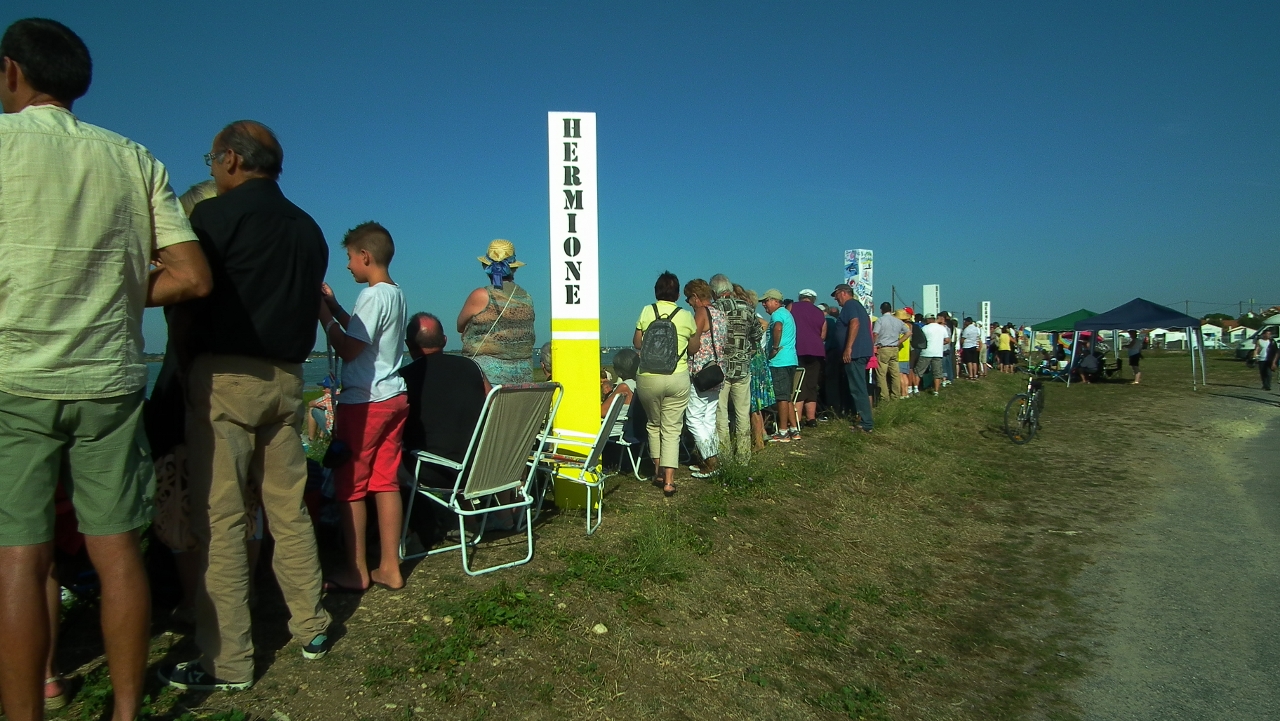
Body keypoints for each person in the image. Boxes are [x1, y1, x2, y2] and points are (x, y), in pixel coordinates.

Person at [0, 19, 212, 720]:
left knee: (21, 559)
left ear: (10, 73)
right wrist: (115, 286)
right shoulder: (132, 158)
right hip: (110, 376)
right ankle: (126, 710)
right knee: (118, 550)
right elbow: (189, 277)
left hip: (14, 377)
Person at [165, 120, 330, 692]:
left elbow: (189, 303)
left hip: (225, 377)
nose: (211, 167)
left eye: (212, 158)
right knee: (289, 509)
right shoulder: (309, 229)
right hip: (287, 380)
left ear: (232, 159)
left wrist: (184, 367)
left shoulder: (211, 219)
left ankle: (229, 659)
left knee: (223, 518)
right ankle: (311, 623)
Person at [319, 222, 409, 593]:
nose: (348, 266)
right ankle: (390, 565)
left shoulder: (372, 296)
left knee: (351, 487)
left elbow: (350, 348)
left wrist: (322, 317)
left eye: (350, 258)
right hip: (393, 396)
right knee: (386, 481)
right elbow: (364, 335)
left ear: (365, 256)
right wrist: (336, 306)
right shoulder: (395, 293)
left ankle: (356, 571)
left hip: (366, 400)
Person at [398, 313, 490, 545]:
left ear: (409, 345)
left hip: (435, 471)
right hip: (479, 466)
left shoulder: (404, 379)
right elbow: (493, 406)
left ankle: (412, 530)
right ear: (445, 341)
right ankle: (469, 521)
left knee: (387, 460)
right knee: (458, 441)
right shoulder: (472, 367)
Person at [634, 271, 699, 496]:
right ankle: (669, 481)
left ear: (656, 291)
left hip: (648, 377)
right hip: (677, 376)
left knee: (654, 424)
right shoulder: (685, 315)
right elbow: (693, 348)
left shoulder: (646, 310)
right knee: (672, 429)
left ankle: (658, 471)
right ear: (678, 294)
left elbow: (637, 343)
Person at [458, 239, 536, 385]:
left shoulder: (480, 295)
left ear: (485, 266)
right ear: (515, 268)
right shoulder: (527, 297)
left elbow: (460, 326)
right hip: (522, 384)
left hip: (485, 385)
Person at [710, 274, 761, 460]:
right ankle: (744, 456)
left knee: (721, 415)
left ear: (714, 292)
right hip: (742, 367)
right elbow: (757, 333)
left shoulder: (713, 310)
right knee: (742, 414)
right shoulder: (746, 307)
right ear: (729, 289)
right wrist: (748, 352)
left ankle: (725, 456)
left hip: (720, 370)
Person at [684, 280, 726, 478]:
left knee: (693, 418)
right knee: (708, 418)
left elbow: (694, 346)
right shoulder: (720, 314)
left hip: (701, 371)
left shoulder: (701, 313)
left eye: (689, 298)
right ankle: (710, 458)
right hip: (717, 370)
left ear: (696, 297)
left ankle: (711, 460)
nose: (688, 303)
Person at [831, 285, 874, 433]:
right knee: (857, 386)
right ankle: (861, 419)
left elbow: (855, 323)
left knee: (858, 388)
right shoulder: (856, 305)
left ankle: (866, 423)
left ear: (843, 293)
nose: (835, 299)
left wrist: (848, 348)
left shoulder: (850, 305)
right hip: (859, 351)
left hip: (855, 353)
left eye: (836, 295)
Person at [761, 289, 801, 441]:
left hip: (779, 361)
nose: (764, 304)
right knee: (787, 396)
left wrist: (774, 348)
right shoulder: (786, 313)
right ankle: (793, 429)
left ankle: (783, 431)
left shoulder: (777, 314)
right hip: (791, 359)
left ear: (776, 301)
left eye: (766, 301)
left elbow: (778, 327)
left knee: (781, 397)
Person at [742, 288, 775, 450]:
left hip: (753, 361)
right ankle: (761, 433)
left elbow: (765, 325)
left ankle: (758, 441)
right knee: (756, 404)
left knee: (753, 404)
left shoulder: (753, 319)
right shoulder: (758, 318)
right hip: (760, 360)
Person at [791, 289, 828, 427]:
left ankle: (797, 418)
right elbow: (823, 334)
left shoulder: (792, 307)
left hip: (798, 350)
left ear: (800, 297)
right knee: (812, 385)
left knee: (798, 385)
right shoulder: (819, 312)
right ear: (813, 299)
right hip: (817, 351)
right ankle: (811, 419)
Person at [874, 302, 909, 398]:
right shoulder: (898, 321)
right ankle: (896, 395)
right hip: (894, 348)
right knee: (895, 374)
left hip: (883, 348)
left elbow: (875, 333)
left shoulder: (880, 320)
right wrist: (899, 342)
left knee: (881, 374)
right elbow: (908, 332)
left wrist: (874, 345)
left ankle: (884, 396)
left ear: (881, 310)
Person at [601, 349, 639, 437]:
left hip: (615, 436)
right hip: (634, 435)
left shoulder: (624, 387)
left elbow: (602, 412)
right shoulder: (639, 385)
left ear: (619, 370)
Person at [914, 315, 951, 395]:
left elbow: (920, 340)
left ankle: (916, 388)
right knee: (937, 373)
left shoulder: (924, 328)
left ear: (927, 320)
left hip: (926, 352)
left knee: (919, 371)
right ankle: (936, 391)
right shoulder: (942, 328)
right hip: (938, 352)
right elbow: (947, 340)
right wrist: (939, 343)